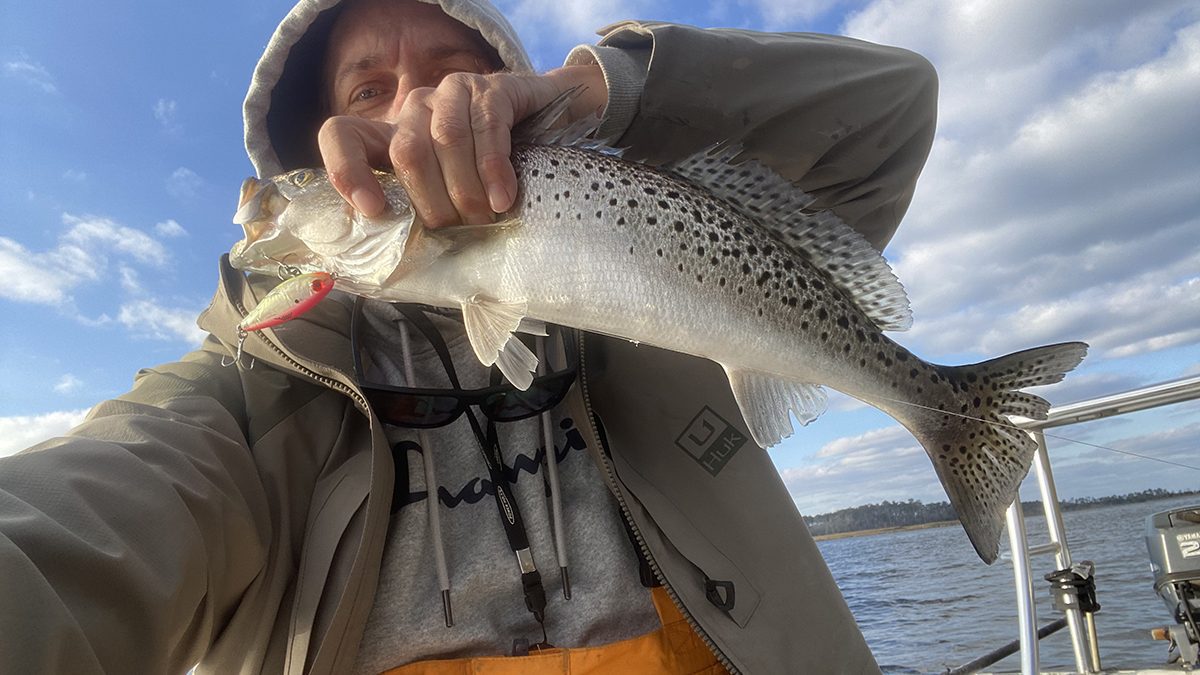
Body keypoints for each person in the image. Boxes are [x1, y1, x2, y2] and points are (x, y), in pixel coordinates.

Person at [0, 0, 937, 672]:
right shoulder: (247, 389)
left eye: (455, 75)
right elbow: (79, 524)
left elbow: (891, 104)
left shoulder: (637, 290)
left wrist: (594, 92)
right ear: (317, 148)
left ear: (509, 98)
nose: (415, 111)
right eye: (370, 90)